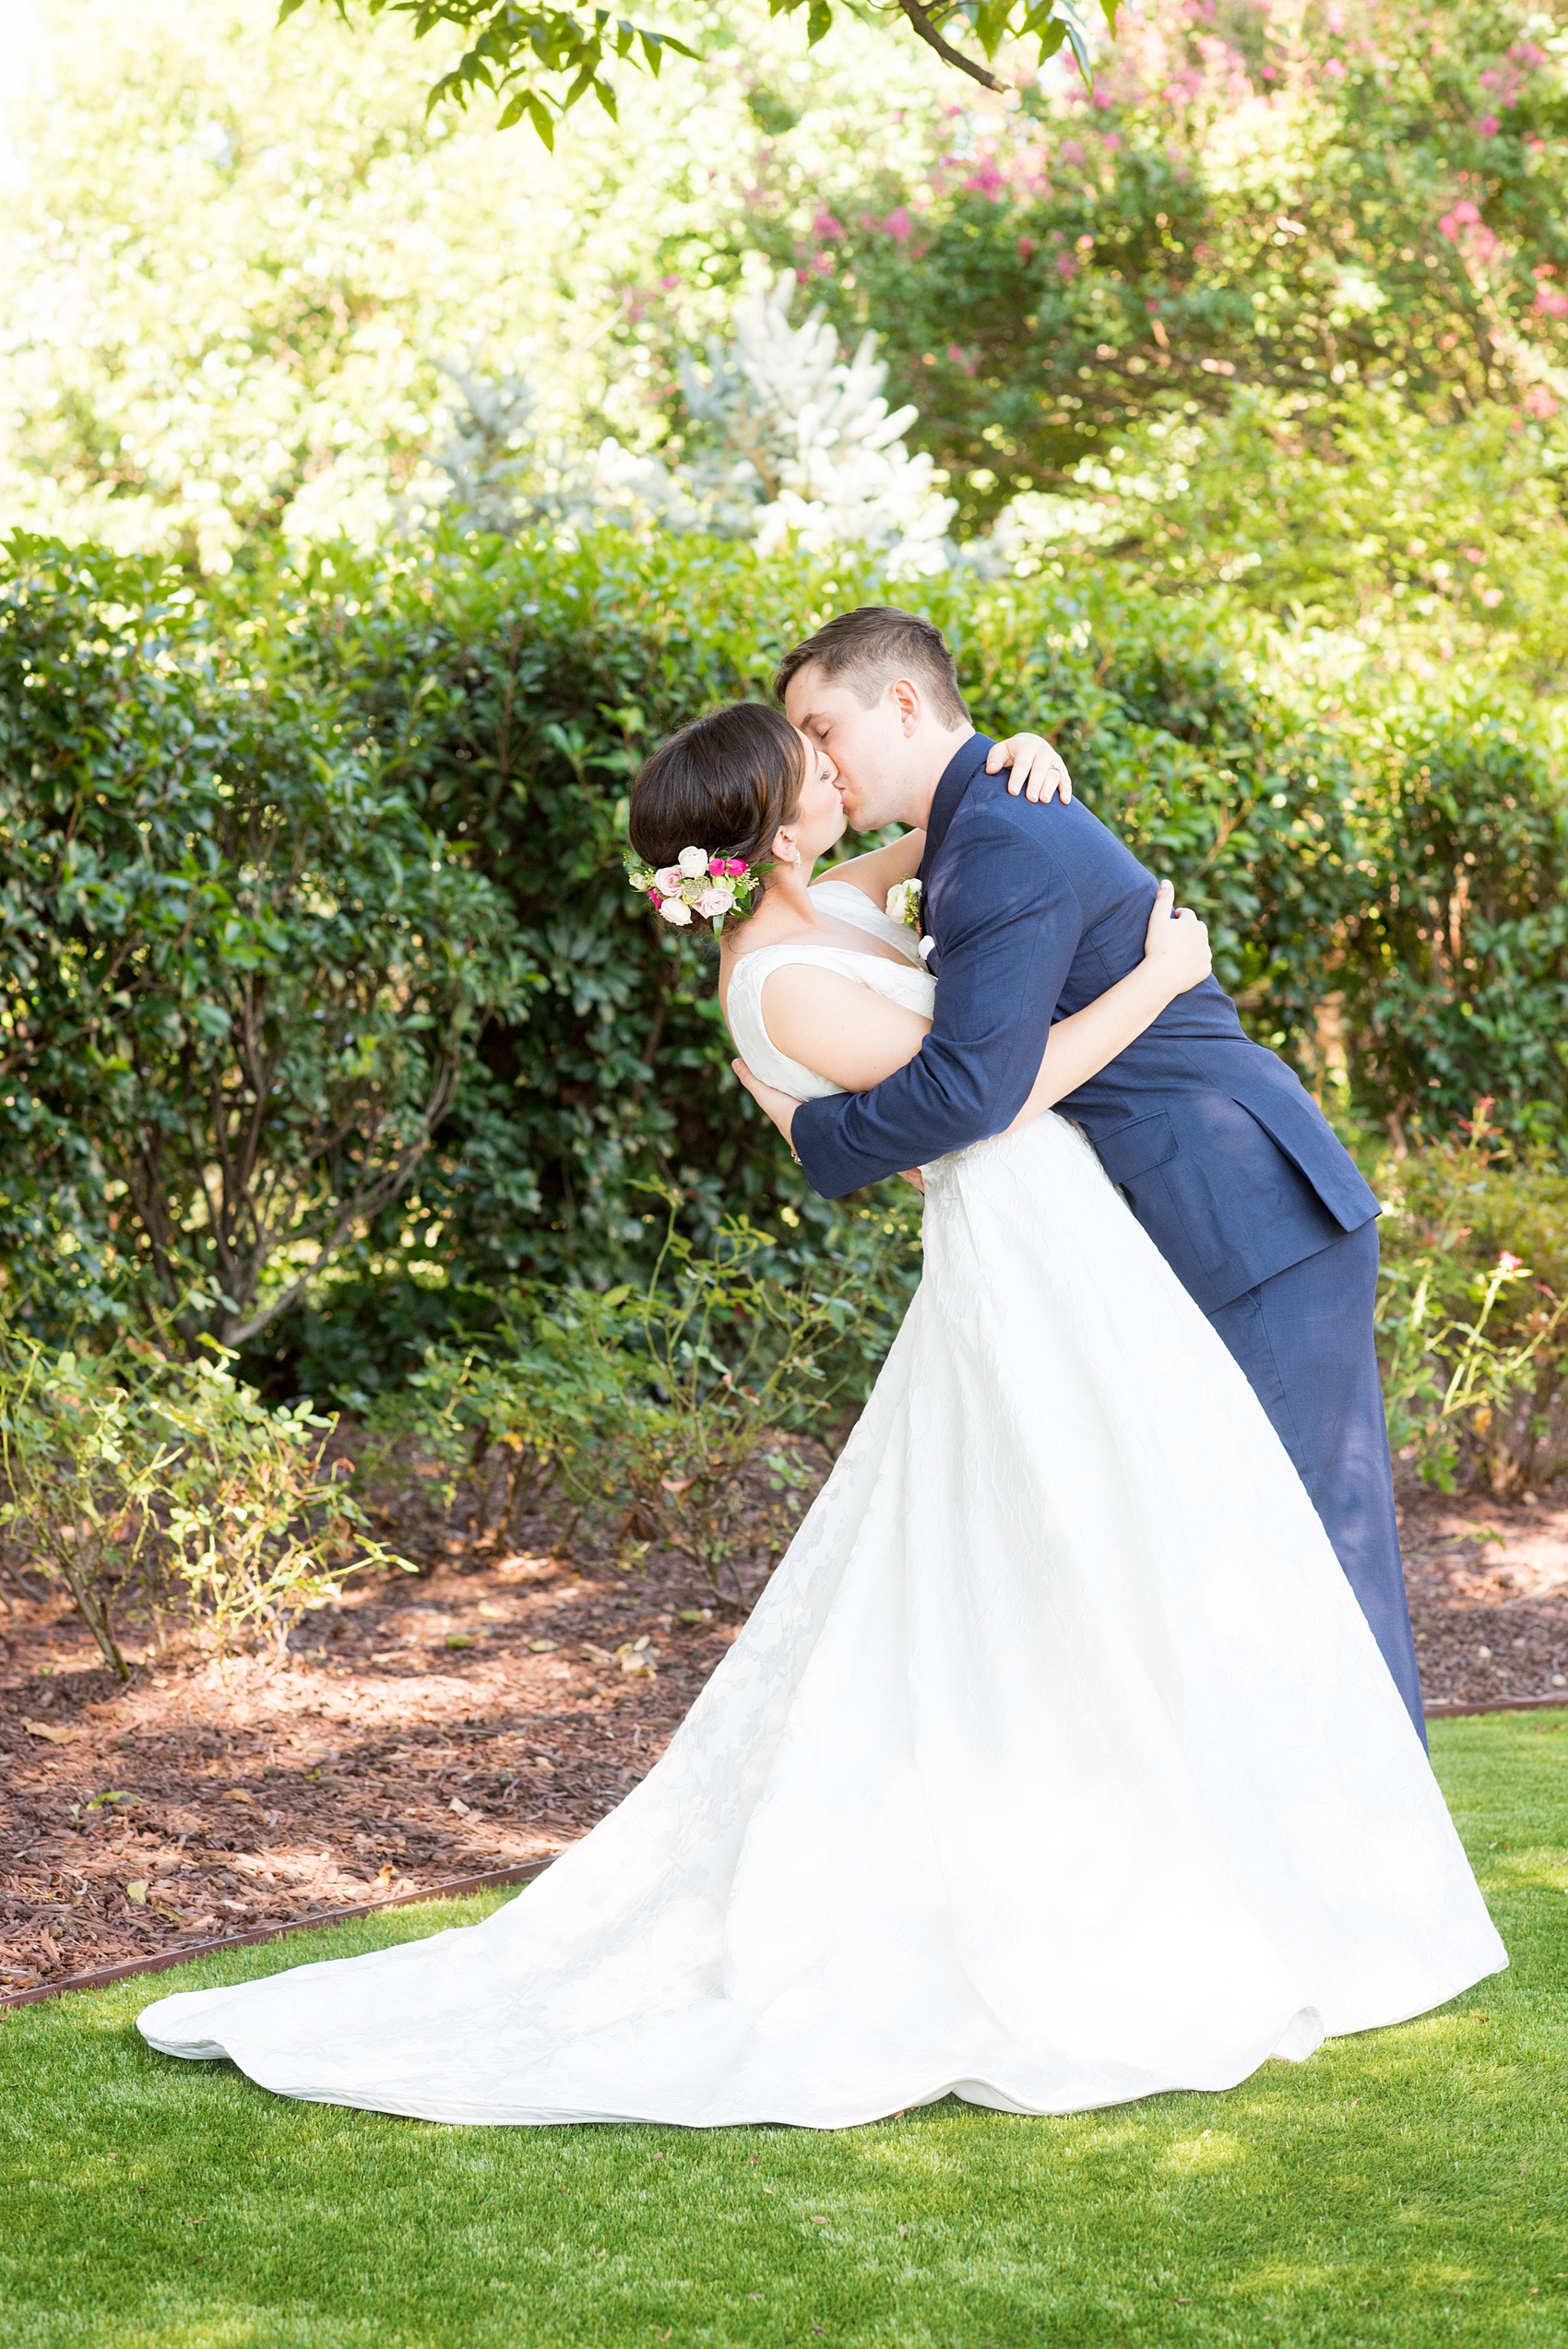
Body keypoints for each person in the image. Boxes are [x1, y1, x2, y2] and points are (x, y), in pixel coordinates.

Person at [137, 697, 1504, 2130]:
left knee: (1129, 1550)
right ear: (775, 823)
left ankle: (1238, 1843)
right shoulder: (782, 975)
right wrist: (1160, 976)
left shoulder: (825, 902)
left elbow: (938, 830)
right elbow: (988, 1098)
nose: (830, 765)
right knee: (1071, 1556)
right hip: (1030, 1264)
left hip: (1072, 1252)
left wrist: (1022, 761)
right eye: (807, 762)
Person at [736, 606, 1427, 1742]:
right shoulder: (977, 820)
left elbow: (970, 1090)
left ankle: (1383, 1862)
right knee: (1219, 1543)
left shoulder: (998, 834)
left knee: (1309, 1540)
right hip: (1171, 1213)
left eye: (824, 728)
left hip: (1247, 1209)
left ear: (900, 703)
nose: (818, 762)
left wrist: (817, 1141)